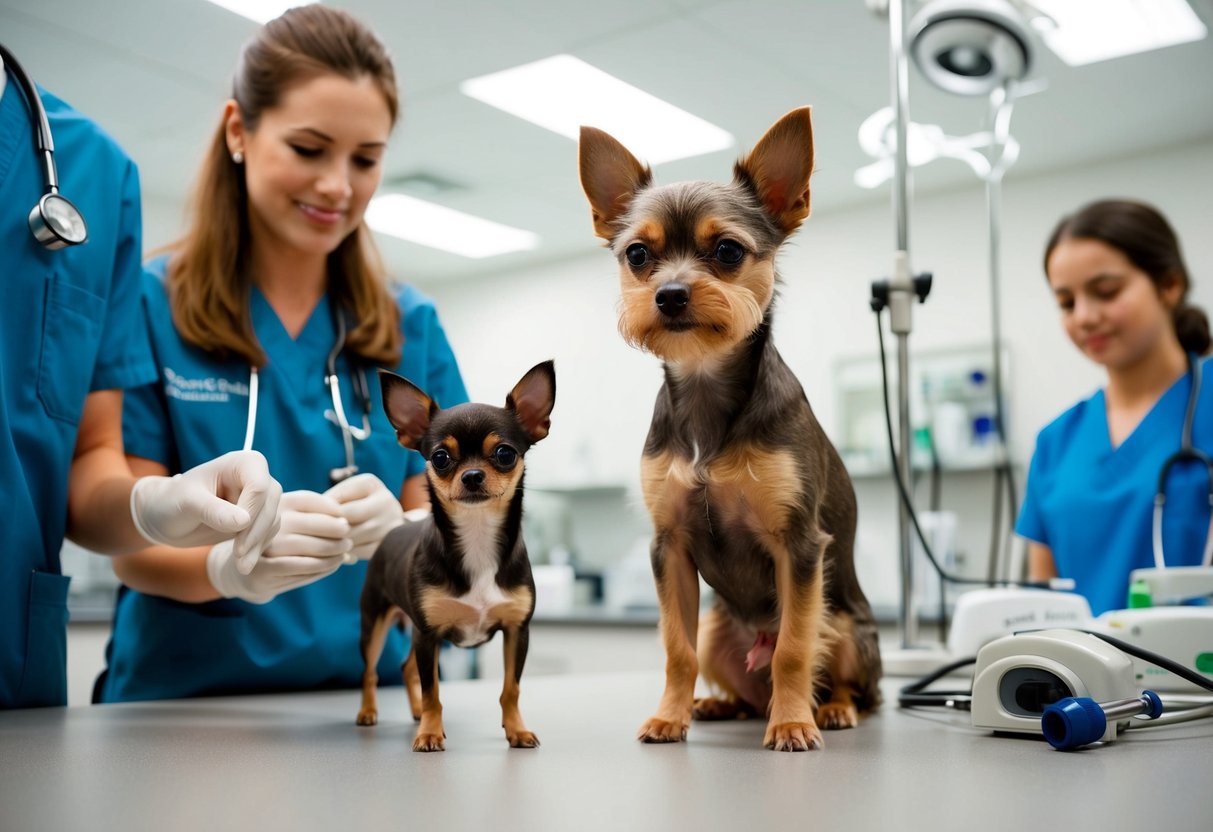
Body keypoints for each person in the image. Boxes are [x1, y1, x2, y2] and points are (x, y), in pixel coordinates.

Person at [92, 6, 469, 703]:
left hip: (373, 703)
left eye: (365, 159)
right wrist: (226, 569)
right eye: (308, 148)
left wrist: (414, 536)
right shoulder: (149, 304)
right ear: (239, 131)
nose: (338, 185)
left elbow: (457, 511)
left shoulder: (407, 324)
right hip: (188, 712)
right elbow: (129, 541)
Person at [1, 46, 282, 709]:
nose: (336, 185)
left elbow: (92, 462)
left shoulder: (90, 171)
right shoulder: (166, 298)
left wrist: (148, 507)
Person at [1016, 199, 1212, 616]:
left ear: (1169, 285)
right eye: (1067, 303)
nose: (1084, 316)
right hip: (1080, 679)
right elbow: (1039, 606)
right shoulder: (1055, 443)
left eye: (1106, 292)